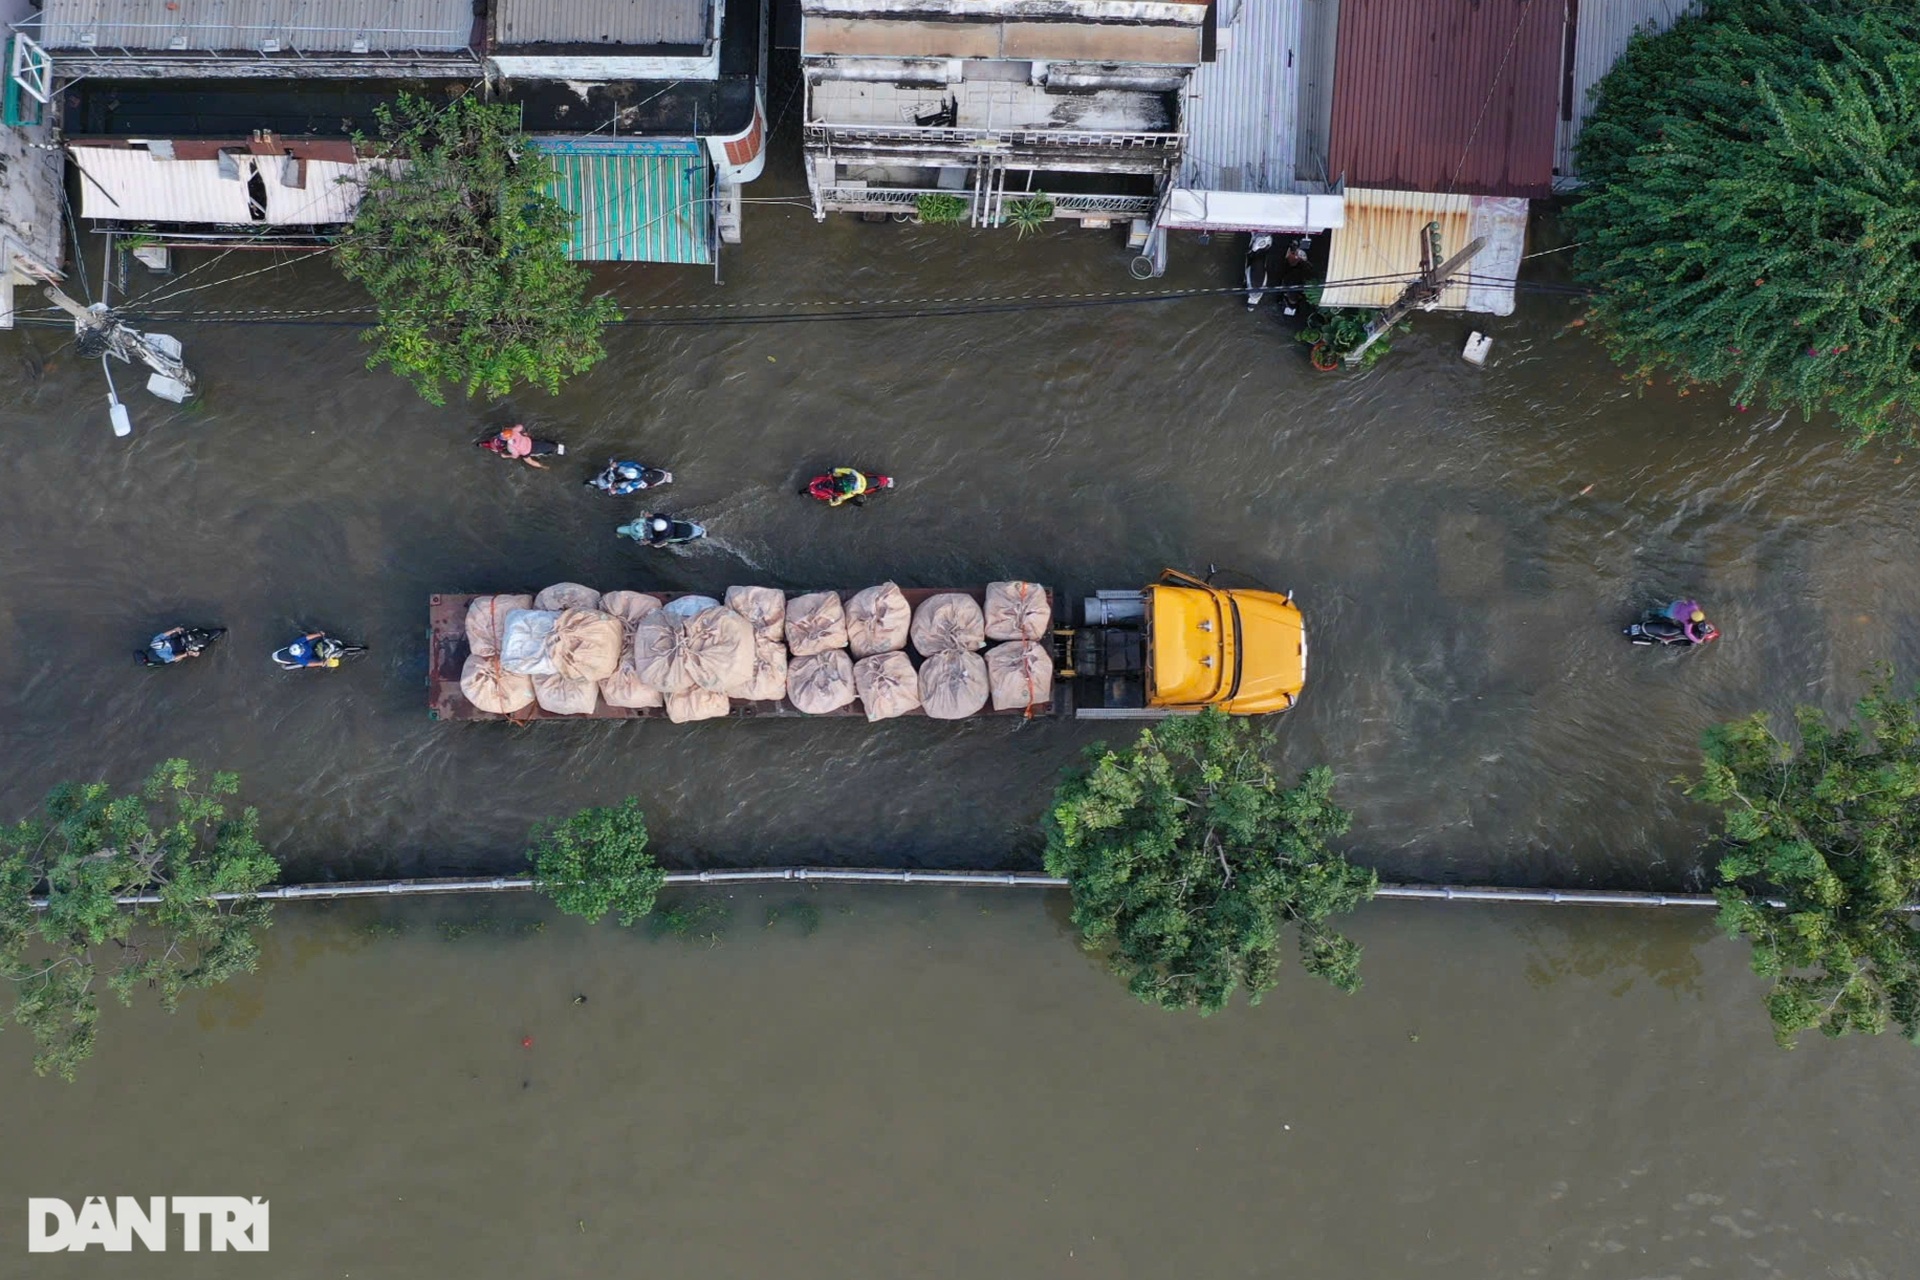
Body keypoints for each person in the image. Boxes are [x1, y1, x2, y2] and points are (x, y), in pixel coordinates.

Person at [478, 425, 563, 470]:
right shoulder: (514, 431)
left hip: (527, 451)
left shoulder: (511, 446)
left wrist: (506, 456)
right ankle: (559, 447)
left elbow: (515, 456)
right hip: (531, 441)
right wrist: (513, 429)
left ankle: (543, 467)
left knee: (530, 462)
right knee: (547, 444)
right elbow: (521, 426)